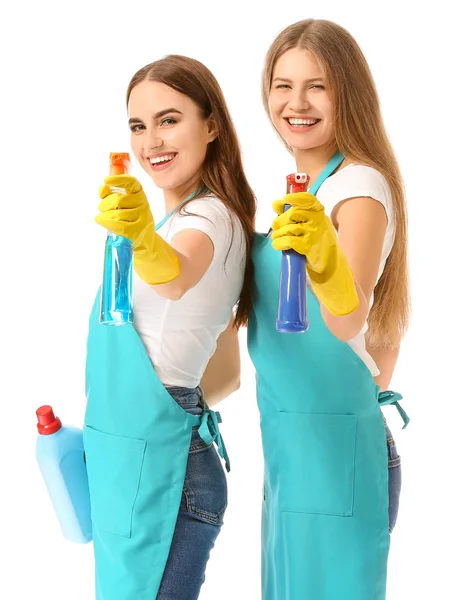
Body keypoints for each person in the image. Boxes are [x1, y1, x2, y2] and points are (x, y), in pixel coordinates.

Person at [207, 18, 410, 599]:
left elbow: (348, 318)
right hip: (293, 452)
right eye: (282, 84)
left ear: (349, 92)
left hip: (336, 456)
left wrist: (325, 262)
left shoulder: (360, 189)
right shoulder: (314, 188)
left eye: (317, 86)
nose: (296, 103)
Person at [83, 54, 256, 600]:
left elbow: (176, 276)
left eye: (169, 119)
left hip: (165, 469)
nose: (150, 140)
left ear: (211, 126)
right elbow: (225, 372)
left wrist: (140, 240)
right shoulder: (169, 222)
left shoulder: (209, 219)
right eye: (138, 125)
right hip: (141, 455)